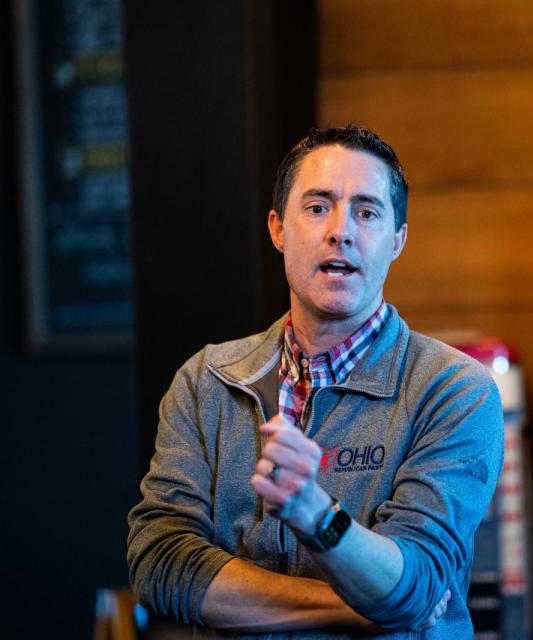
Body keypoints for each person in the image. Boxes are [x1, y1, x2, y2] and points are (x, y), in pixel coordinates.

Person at [127, 125, 505, 637]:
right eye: (317, 206)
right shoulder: (206, 382)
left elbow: (415, 581)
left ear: (397, 241)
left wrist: (315, 514)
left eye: (367, 212)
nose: (341, 231)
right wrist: (355, 607)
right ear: (278, 228)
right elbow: (160, 564)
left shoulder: (454, 390)